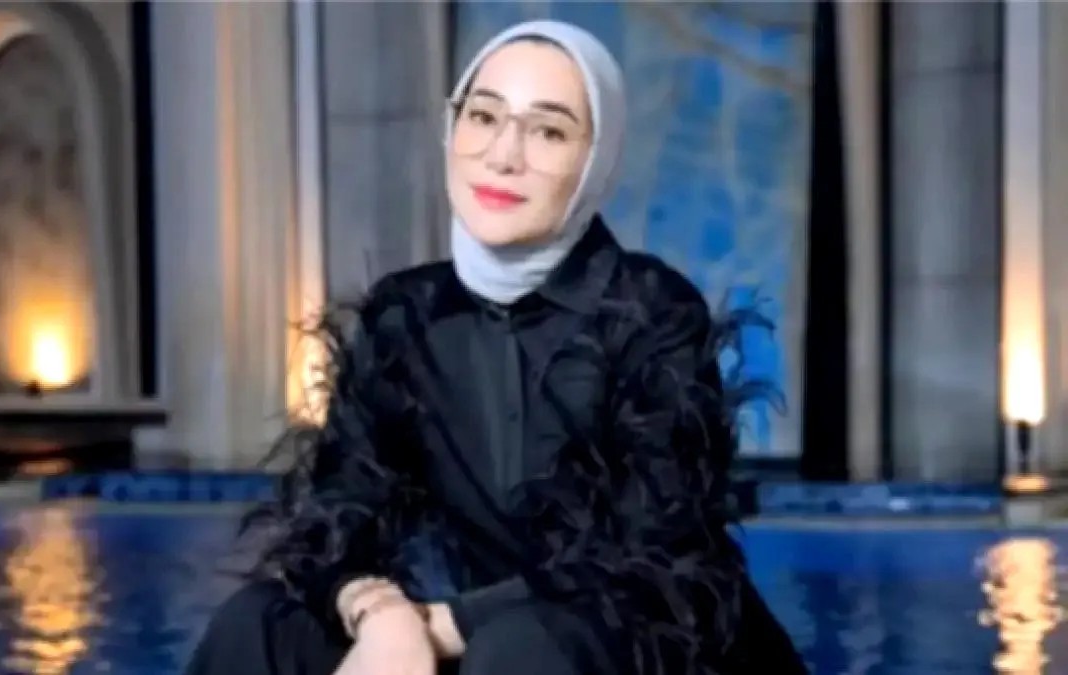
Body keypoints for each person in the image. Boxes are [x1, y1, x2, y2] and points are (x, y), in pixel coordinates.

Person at [186, 19, 806, 675]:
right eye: (483, 117)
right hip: (497, 642)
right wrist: (378, 612)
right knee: (259, 622)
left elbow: (646, 557)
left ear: (596, 162)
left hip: (653, 645)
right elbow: (337, 516)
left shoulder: (653, 311)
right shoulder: (407, 315)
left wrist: (441, 625)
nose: (504, 155)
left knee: (520, 646)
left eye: (548, 131)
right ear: (452, 129)